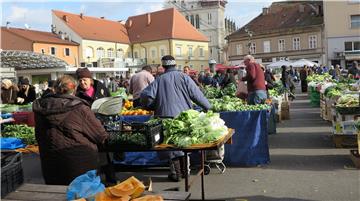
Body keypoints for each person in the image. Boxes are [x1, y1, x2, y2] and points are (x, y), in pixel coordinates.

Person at [140, 55, 211, 182]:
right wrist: (208, 107)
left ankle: (176, 173)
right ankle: (185, 172)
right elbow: (197, 95)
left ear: (164, 66)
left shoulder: (159, 79)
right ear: (175, 65)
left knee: (170, 145)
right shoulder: (184, 77)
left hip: (165, 116)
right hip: (184, 117)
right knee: (183, 143)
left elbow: (146, 96)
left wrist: (150, 106)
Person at [32, 75, 109, 185]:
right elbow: (100, 135)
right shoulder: (80, 108)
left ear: (55, 89)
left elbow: (39, 135)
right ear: (74, 89)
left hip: (51, 164)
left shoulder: (41, 107)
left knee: (57, 195)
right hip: (80, 167)